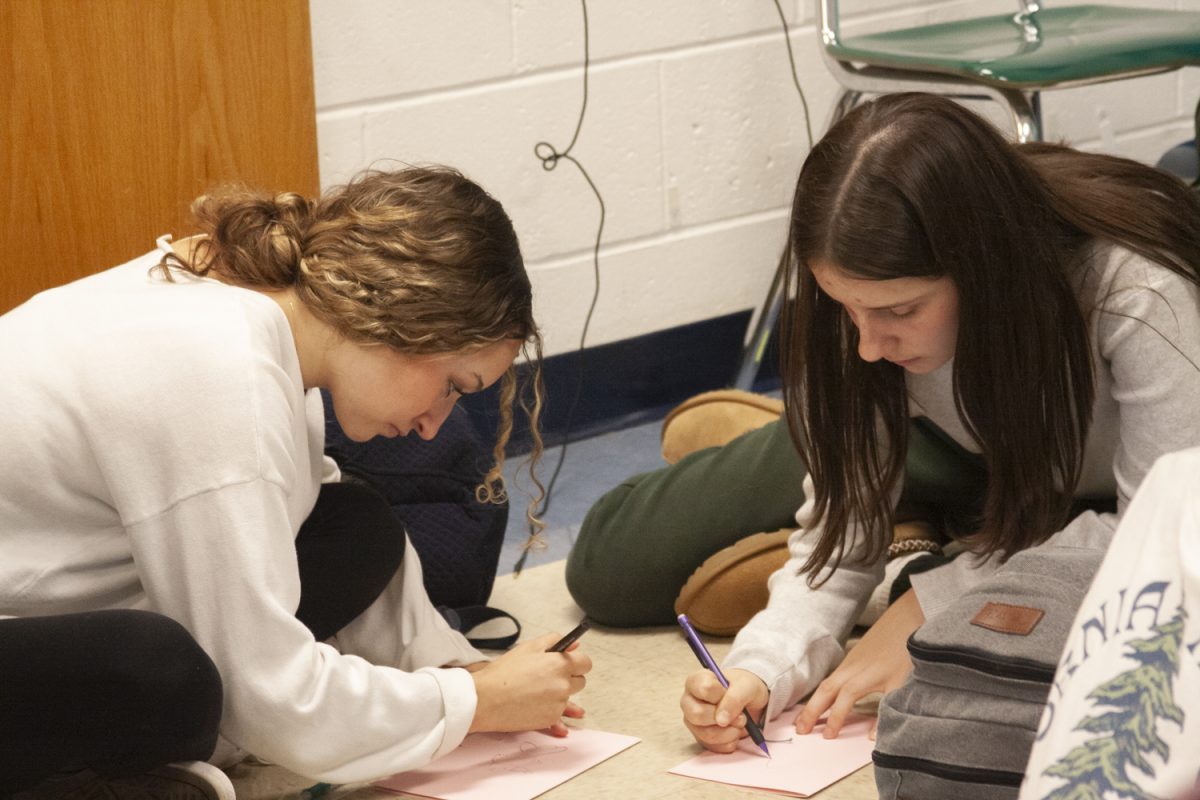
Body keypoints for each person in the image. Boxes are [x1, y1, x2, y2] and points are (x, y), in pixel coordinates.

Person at [0, 166, 591, 798]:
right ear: (401, 317)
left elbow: (303, 533)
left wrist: (455, 668)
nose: (433, 425)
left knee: (354, 527)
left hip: (46, 599)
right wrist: (473, 701)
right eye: (452, 384)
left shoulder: (266, 323)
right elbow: (268, 694)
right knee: (162, 674)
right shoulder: (212, 371)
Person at [677, 93, 1200, 753]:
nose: (867, 344)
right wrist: (762, 667)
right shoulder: (867, 322)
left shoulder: (1139, 289)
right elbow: (837, 540)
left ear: (985, 268)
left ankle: (920, 554)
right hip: (959, 456)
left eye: (901, 309)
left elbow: (1165, 535)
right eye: (846, 308)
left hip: (1091, 491)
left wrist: (940, 598)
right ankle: (812, 461)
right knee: (613, 572)